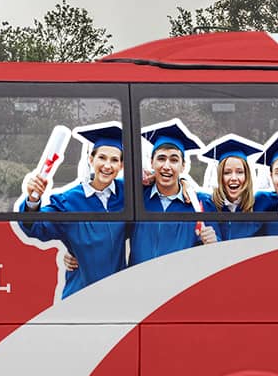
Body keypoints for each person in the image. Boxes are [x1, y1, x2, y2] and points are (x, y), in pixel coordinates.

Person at [18, 122, 129, 298]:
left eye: (114, 160)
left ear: (121, 166)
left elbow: (160, 190)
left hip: (117, 295)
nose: (107, 165)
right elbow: (36, 227)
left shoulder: (127, 194)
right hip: (80, 295)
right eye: (102, 157)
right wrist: (33, 199)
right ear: (91, 160)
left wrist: (183, 183)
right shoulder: (68, 201)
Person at [132, 120, 218, 265]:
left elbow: (215, 245)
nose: (167, 166)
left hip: (181, 285)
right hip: (138, 282)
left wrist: (215, 241)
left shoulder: (199, 204)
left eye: (174, 160)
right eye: (161, 159)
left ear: (183, 166)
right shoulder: (138, 197)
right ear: (152, 162)